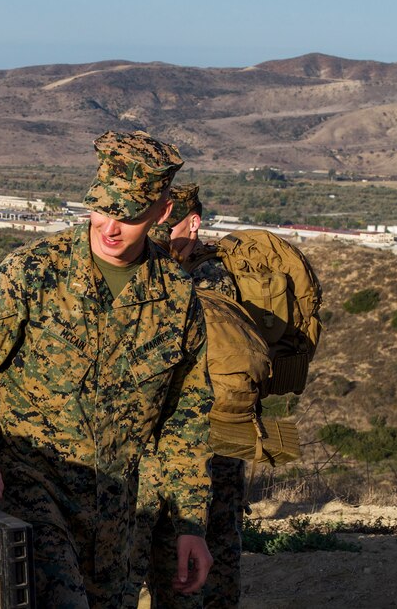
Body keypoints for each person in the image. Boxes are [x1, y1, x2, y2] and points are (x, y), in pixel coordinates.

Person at [0, 131, 215, 607]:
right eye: (101, 209)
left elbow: (186, 421)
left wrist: (189, 526)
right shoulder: (32, 274)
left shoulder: (177, 299)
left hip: (118, 517)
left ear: (162, 213)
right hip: (28, 490)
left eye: (129, 215)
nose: (110, 227)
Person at [138, 184, 248, 609]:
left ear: (194, 223)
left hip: (214, 437)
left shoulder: (213, 277)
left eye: (170, 227)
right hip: (165, 438)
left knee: (213, 544)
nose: (162, 237)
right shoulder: (156, 269)